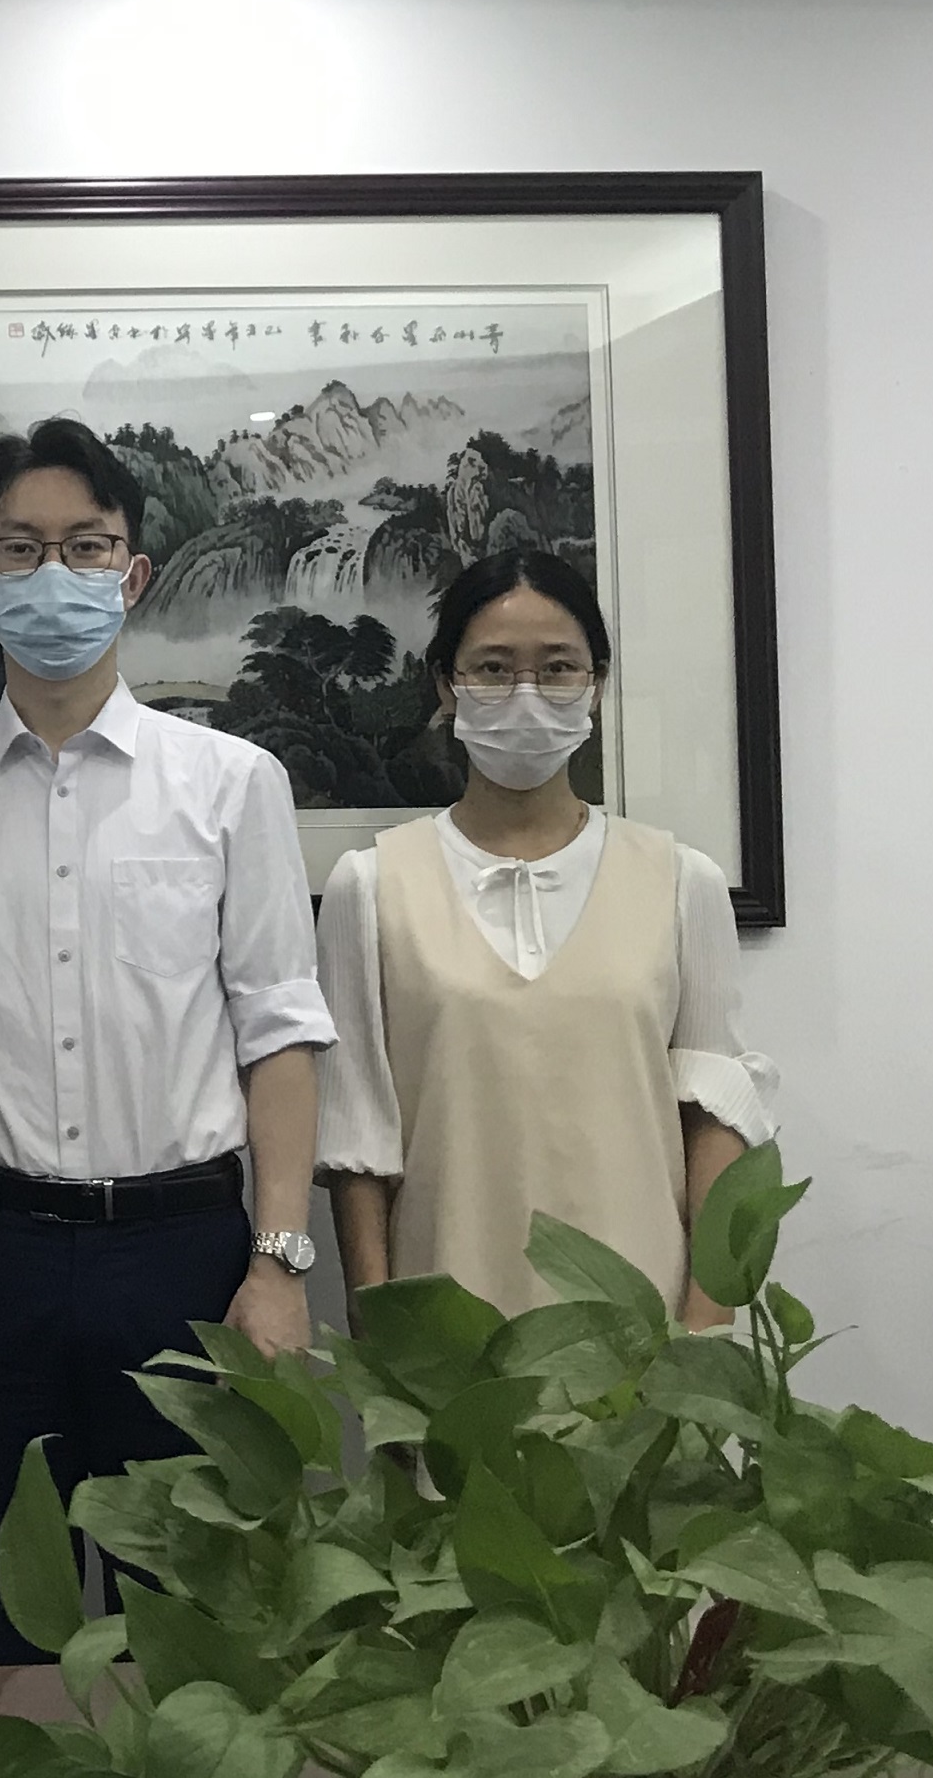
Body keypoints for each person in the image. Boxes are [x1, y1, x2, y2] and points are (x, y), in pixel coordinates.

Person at [0, 420, 334, 1666]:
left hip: (182, 1255)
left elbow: (279, 1032)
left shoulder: (230, 782)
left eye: (86, 545)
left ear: (133, 572)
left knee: (187, 1632)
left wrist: (279, 1264)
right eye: (20, 547)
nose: (53, 572)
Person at [314, 550, 775, 1324]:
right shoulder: (372, 886)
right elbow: (358, 1143)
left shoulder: (680, 881)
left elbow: (716, 1118)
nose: (525, 695)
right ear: (446, 684)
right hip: (451, 1329)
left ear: (596, 682)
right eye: (493, 669)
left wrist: (704, 1331)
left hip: (642, 1332)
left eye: (558, 668)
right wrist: (384, 1341)